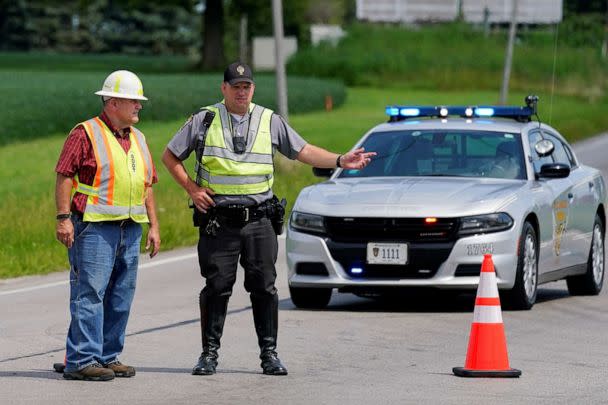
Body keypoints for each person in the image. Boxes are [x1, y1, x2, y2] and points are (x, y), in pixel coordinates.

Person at [162, 61, 375, 376]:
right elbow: (170, 156)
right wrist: (192, 190)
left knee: (264, 287)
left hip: (259, 219)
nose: (241, 92)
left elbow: (302, 151)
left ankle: (269, 355)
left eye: (246, 86)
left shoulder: (268, 120)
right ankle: (208, 355)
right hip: (218, 220)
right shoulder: (204, 119)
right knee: (217, 286)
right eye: (235, 86)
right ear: (224, 89)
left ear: (253, 88)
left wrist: (341, 159)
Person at [55, 70, 161, 381]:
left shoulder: (138, 138)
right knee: (89, 293)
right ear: (112, 102)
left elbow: (148, 186)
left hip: (130, 228)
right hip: (94, 227)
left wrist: (153, 226)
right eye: (133, 101)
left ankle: (107, 355)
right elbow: (64, 175)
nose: (139, 106)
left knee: (120, 295)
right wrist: (63, 218)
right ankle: (81, 360)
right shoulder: (85, 133)